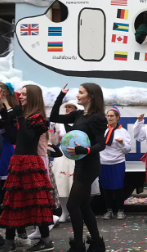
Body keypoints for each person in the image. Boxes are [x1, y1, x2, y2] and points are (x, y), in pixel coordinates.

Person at [50, 83, 106, 252]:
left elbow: (101, 145)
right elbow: (54, 116)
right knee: (83, 206)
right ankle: (96, 243)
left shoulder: (97, 118)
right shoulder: (79, 115)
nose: (77, 95)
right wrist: (61, 95)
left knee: (73, 205)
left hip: (90, 165)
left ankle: (79, 246)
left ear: (91, 96)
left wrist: (85, 150)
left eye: (81, 93)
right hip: (81, 164)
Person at [0, 85, 54, 252]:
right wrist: (4, 107)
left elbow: (29, 137)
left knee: (37, 201)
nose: (20, 97)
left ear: (32, 97)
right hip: (18, 161)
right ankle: (9, 241)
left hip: (30, 162)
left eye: (24, 94)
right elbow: (14, 137)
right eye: (20, 94)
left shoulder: (38, 118)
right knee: (13, 201)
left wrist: (18, 116)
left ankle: (46, 240)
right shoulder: (23, 116)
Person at [49, 100, 81, 224]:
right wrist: (52, 130)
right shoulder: (60, 122)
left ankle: (76, 211)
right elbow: (54, 140)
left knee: (76, 184)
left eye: (70, 107)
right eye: (66, 107)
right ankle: (64, 211)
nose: (67, 109)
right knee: (61, 182)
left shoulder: (80, 121)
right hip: (63, 154)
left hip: (77, 153)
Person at [100, 107, 131, 221]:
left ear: (118, 118)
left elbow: (128, 149)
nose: (109, 118)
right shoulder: (103, 130)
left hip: (117, 162)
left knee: (118, 188)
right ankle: (108, 210)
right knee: (106, 188)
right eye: (108, 116)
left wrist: (122, 143)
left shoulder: (123, 131)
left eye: (112, 116)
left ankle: (120, 210)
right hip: (103, 162)